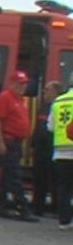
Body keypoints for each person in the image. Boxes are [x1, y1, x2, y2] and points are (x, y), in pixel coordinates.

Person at [0, 70, 38, 221]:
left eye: (24, 84)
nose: (23, 86)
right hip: (8, 140)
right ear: (12, 83)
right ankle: (22, 208)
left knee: (6, 175)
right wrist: (0, 142)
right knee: (14, 176)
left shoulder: (19, 99)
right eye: (20, 84)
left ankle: (0, 206)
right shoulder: (6, 97)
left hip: (17, 142)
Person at [32, 80, 61, 216]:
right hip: (40, 149)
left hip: (53, 148)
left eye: (47, 89)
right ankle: (38, 207)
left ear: (55, 92)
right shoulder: (43, 107)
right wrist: (33, 144)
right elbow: (38, 127)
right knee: (39, 180)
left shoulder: (58, 106)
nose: (44, 92)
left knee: (56, 181)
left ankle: (56, 208)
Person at [47, 82, 73, 229]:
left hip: (60, 152)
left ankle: (64, 221)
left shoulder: (58, 101)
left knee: (64, 187)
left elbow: (50, 127)